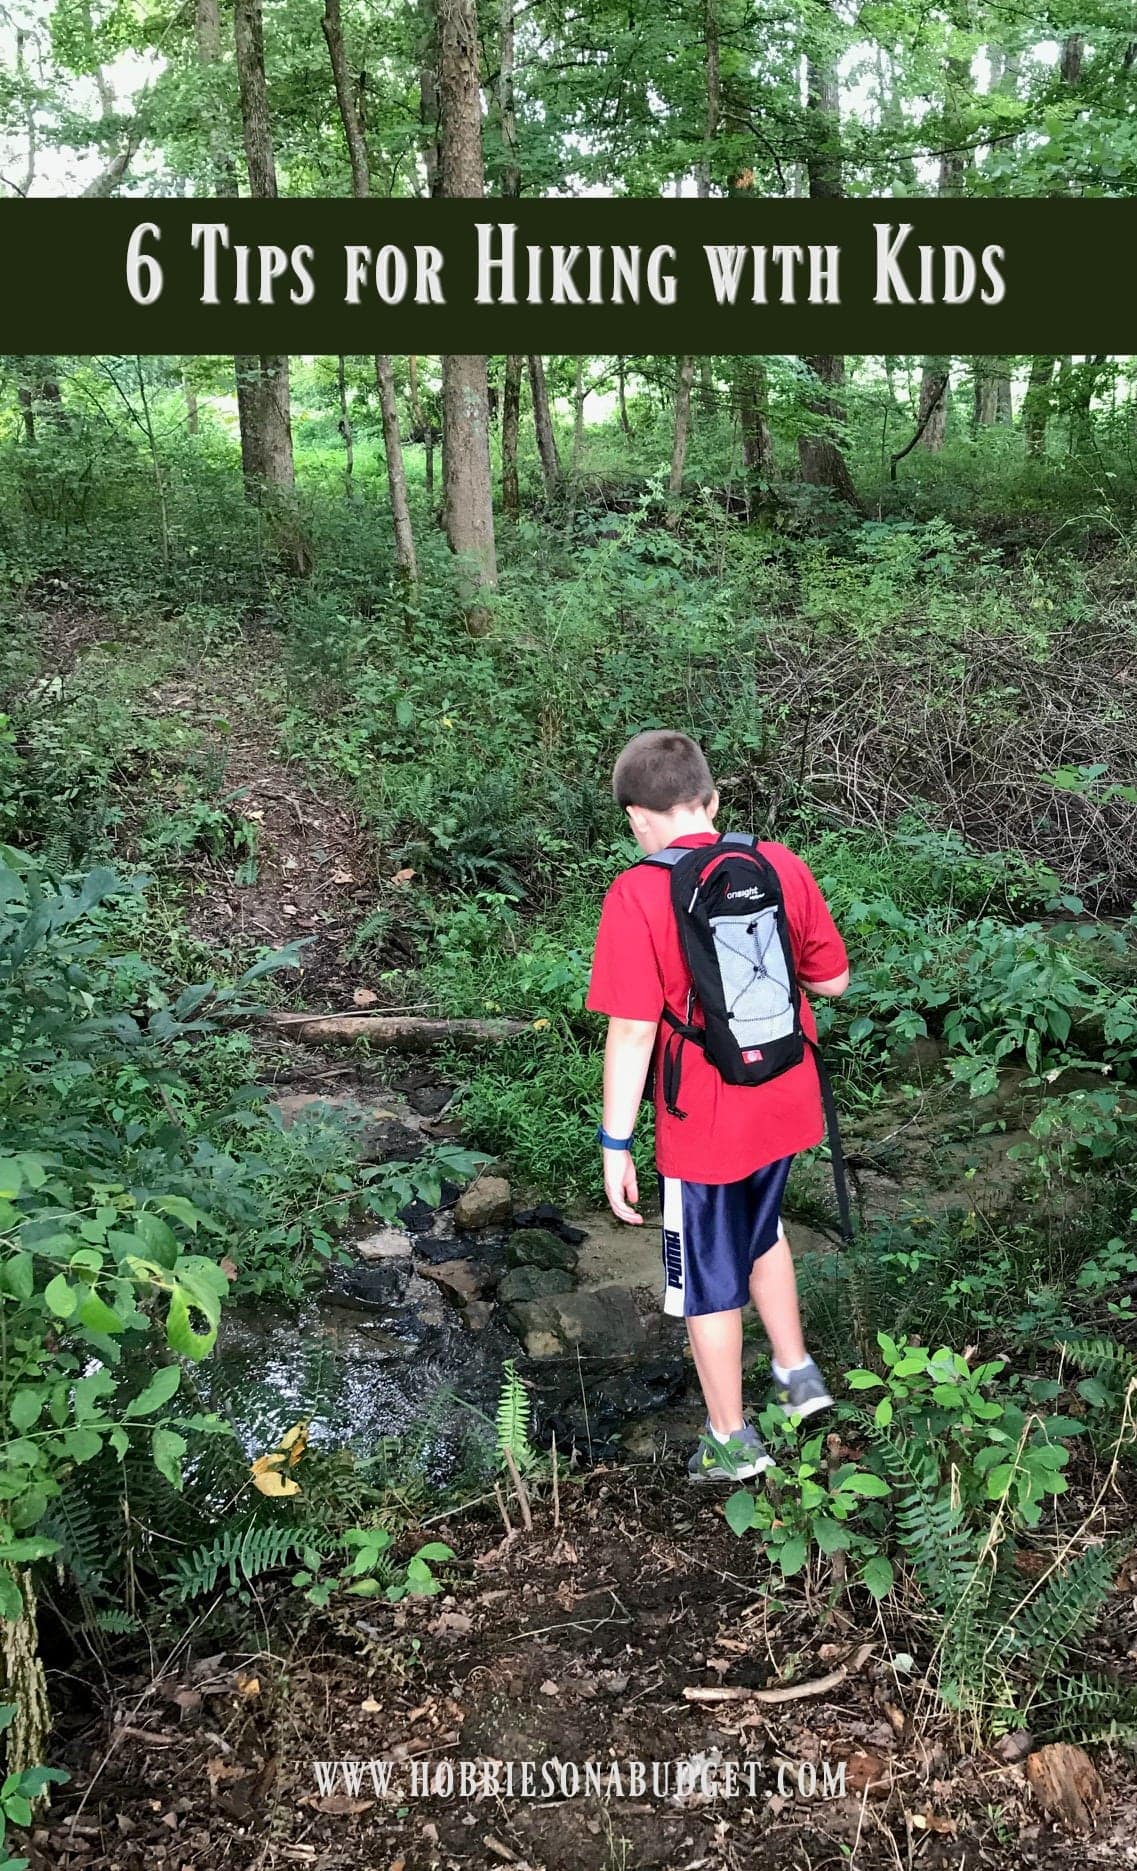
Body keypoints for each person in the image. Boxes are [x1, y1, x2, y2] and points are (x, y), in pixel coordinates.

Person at [586, 730, 851, 1483]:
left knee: (705, 1278)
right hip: (787, 1096)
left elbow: (634, 1030)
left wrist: (615, 1143)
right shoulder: (778, 863)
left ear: (637, 816)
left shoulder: (637, 891)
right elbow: (832, 982)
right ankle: (798, 1378)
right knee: (762, 1228)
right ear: (710, 799)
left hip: (704, 1121)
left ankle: (730, 1443)